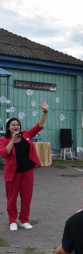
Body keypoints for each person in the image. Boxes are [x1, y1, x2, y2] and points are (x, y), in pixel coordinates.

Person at [0, 99, 48, 231]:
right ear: (9, 128)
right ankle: (12, 221)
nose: (16, 126)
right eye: (13, 125)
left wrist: (45, 112)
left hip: (27, 172)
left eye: (17, 124)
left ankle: (24, 220)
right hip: (12, 174)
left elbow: (39, 126)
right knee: (11, 199)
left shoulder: (26, 134)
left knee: (26, 198)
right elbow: (4, 153)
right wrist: (13, 140)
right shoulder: (3, 140)